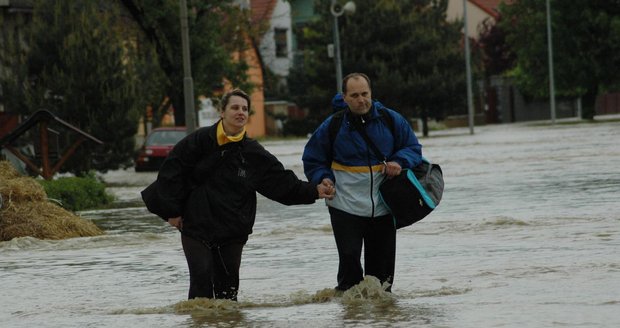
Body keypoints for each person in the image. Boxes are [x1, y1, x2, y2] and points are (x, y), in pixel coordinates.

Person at [148, 88, 334, 301]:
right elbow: (170, 174)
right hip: (196, 225)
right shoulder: (198, 141)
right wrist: (171, 212)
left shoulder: (253, 152)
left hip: (232, 228)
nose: (240, 112)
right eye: (235, 107)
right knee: (201, 283)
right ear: (222, 112)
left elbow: (281, 183)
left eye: (245, 109)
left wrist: (314, 190)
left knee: (228, 291)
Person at [302, 73, 423, 292]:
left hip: (384, 207)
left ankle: (381, 320)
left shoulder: (391, 119)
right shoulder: (333, 126)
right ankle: (351, 318)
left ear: (371, 93)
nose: (361, 100)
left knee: (382, 283)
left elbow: (413, 148)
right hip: (344, 206)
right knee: (350, 276)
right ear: (345, 97)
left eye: (365, 94)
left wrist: (399, 161)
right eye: (355, 95)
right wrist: (323, 178)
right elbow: (313, 159)